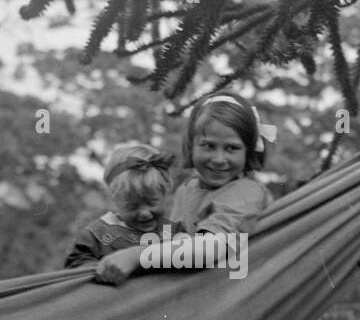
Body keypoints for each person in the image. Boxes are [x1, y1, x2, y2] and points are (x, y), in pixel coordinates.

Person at [94, 92, 273, 284]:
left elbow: (212, 248)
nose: (219, 159)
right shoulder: (187, 189)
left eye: (232, 148)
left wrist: (136, 256)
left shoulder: (247, 192)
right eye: (208, 145)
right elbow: (172, 247)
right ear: (191, 145)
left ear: (248, 152)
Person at [64, 143, 174, 268]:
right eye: (132, 206)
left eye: (152, 202)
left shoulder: (173, 232)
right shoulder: (97, 236)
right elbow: (74, 268)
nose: (144, 213)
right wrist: (100, 269)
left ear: (165, 193)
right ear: (113, 201)